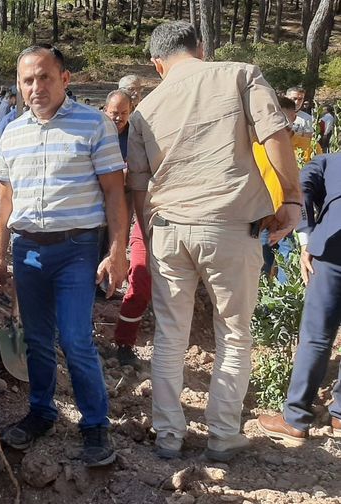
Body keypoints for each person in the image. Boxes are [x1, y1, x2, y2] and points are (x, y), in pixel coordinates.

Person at [127, 21, 302, 462]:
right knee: (234, 334)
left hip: (168, 228)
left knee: (169, 337)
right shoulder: (239, 74)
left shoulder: (146, 107)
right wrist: (292, 199)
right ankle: (223, 435)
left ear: (157, 63)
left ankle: (167, 435)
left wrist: (151, 231)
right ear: (200, 48)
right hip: (228, 224)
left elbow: (137, 183)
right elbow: (275, 134)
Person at [0, 45, 128, 467]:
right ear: (18, 84)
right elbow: (4, 200)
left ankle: (94, 424)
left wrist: (119, 250)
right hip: (28, 250)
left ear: (64, 79)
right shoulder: (12, 132)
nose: (36, 87)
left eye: (44, 77)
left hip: (76, 249)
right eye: (27, 80)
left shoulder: (94, 125)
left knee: (74, 338)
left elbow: (113, 192)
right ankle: (42, 412)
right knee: (36, 339)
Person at [257, 153, 341, 444]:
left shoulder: (329, 162)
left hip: (332, 248)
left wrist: (307, 236)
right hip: (331, 246)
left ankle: (295, 419)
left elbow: (300, 190)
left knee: (317, 336)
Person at [253, 95, 320, 284]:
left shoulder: (306, 146)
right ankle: (262, 309)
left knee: (288, 263)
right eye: (280, 118)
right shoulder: (256, 146)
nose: (285, 125)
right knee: (261, 266)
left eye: (290, 119)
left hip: (296, 217)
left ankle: (284, 308)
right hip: (264, 216)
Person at [102, 89, 147, 366]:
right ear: (105, 109)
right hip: (101, 201)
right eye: (113, 112)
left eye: (123, 113)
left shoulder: (136, 135)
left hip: (133, 199)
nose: (118, 117)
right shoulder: (97, 130)